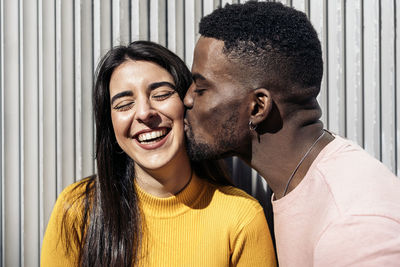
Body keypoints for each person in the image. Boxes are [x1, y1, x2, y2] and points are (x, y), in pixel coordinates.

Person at [184, 1, 400, 266]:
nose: (187, 100)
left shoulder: (353, 226)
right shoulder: (306, 182)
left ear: (258, 107)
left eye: (201, 88)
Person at [41, 40, 276, 266]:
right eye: (124, 105)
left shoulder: (242, 218)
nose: (144, 113)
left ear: (187, 103)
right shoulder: (78, 210)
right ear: (110, 125)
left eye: (161, 94)